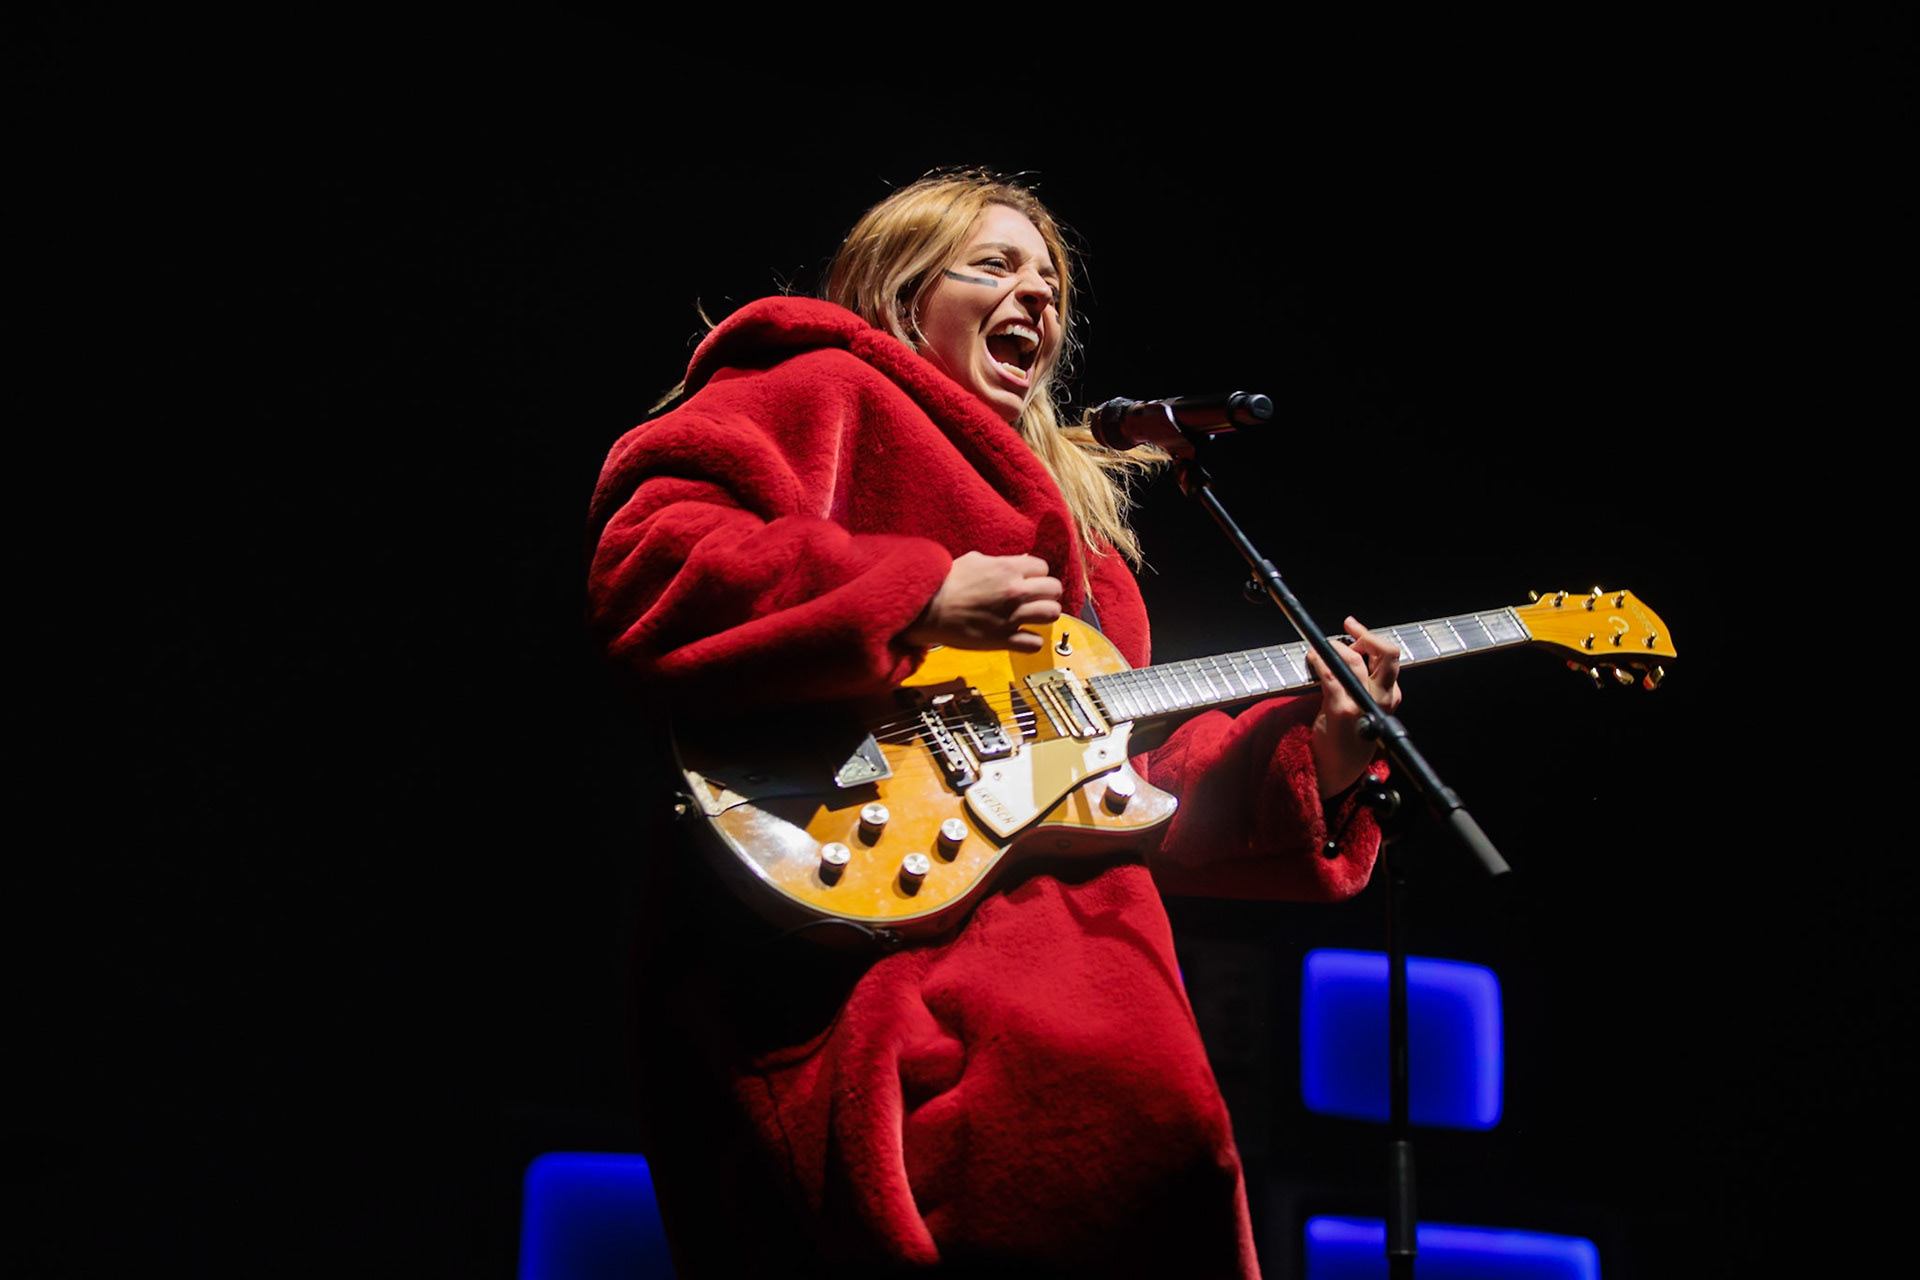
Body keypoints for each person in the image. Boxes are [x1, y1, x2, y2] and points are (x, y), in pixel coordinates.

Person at [586, 170, 1402, 1278]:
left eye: (1052, 283)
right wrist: (912, 592)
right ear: (902, 285)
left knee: (1162, 1152)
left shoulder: (1088, 545)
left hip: (1092, 977)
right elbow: (654, 561)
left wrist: (1320, 749)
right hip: (857, 936)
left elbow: (1129, 784)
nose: (1037, 297)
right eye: (995, 266)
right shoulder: (818, 388)